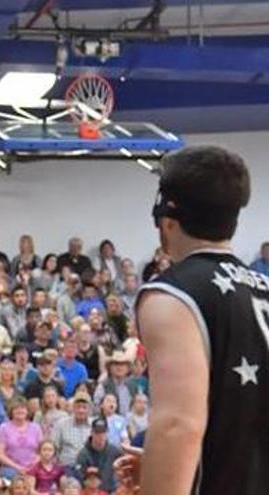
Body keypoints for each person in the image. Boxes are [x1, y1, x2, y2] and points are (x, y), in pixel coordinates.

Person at [115, 145, 265, 494]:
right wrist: (163, 468)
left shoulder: (173, 294)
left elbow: (177, 426)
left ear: (166, 222)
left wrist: (165, 478)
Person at [0, 397, 42, 480]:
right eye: (16, 408)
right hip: (10, 468)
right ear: (11, 411)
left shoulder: (36, 428)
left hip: (33, 466)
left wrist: (31, 466)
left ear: (27, 411)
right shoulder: (3, 428)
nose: (20, 411)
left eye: (22, 408)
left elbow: (42, 452)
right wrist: (18, 468)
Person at [73, 419, 120, 492]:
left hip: (112, 491)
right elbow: (79, 476)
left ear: (107, 433)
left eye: (103, 432)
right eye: (97, 433)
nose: (101, 436)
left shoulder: (115, 452)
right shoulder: (83, 454)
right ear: (91, 433)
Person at [51, 393, 93, 468]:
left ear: (89, 409)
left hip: (89, 469)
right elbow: (53, 448)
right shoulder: (61, 424)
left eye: (84, 407)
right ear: (73, 408)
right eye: (78, 407)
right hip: (67, 467)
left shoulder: (95, 425)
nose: (81, 410)